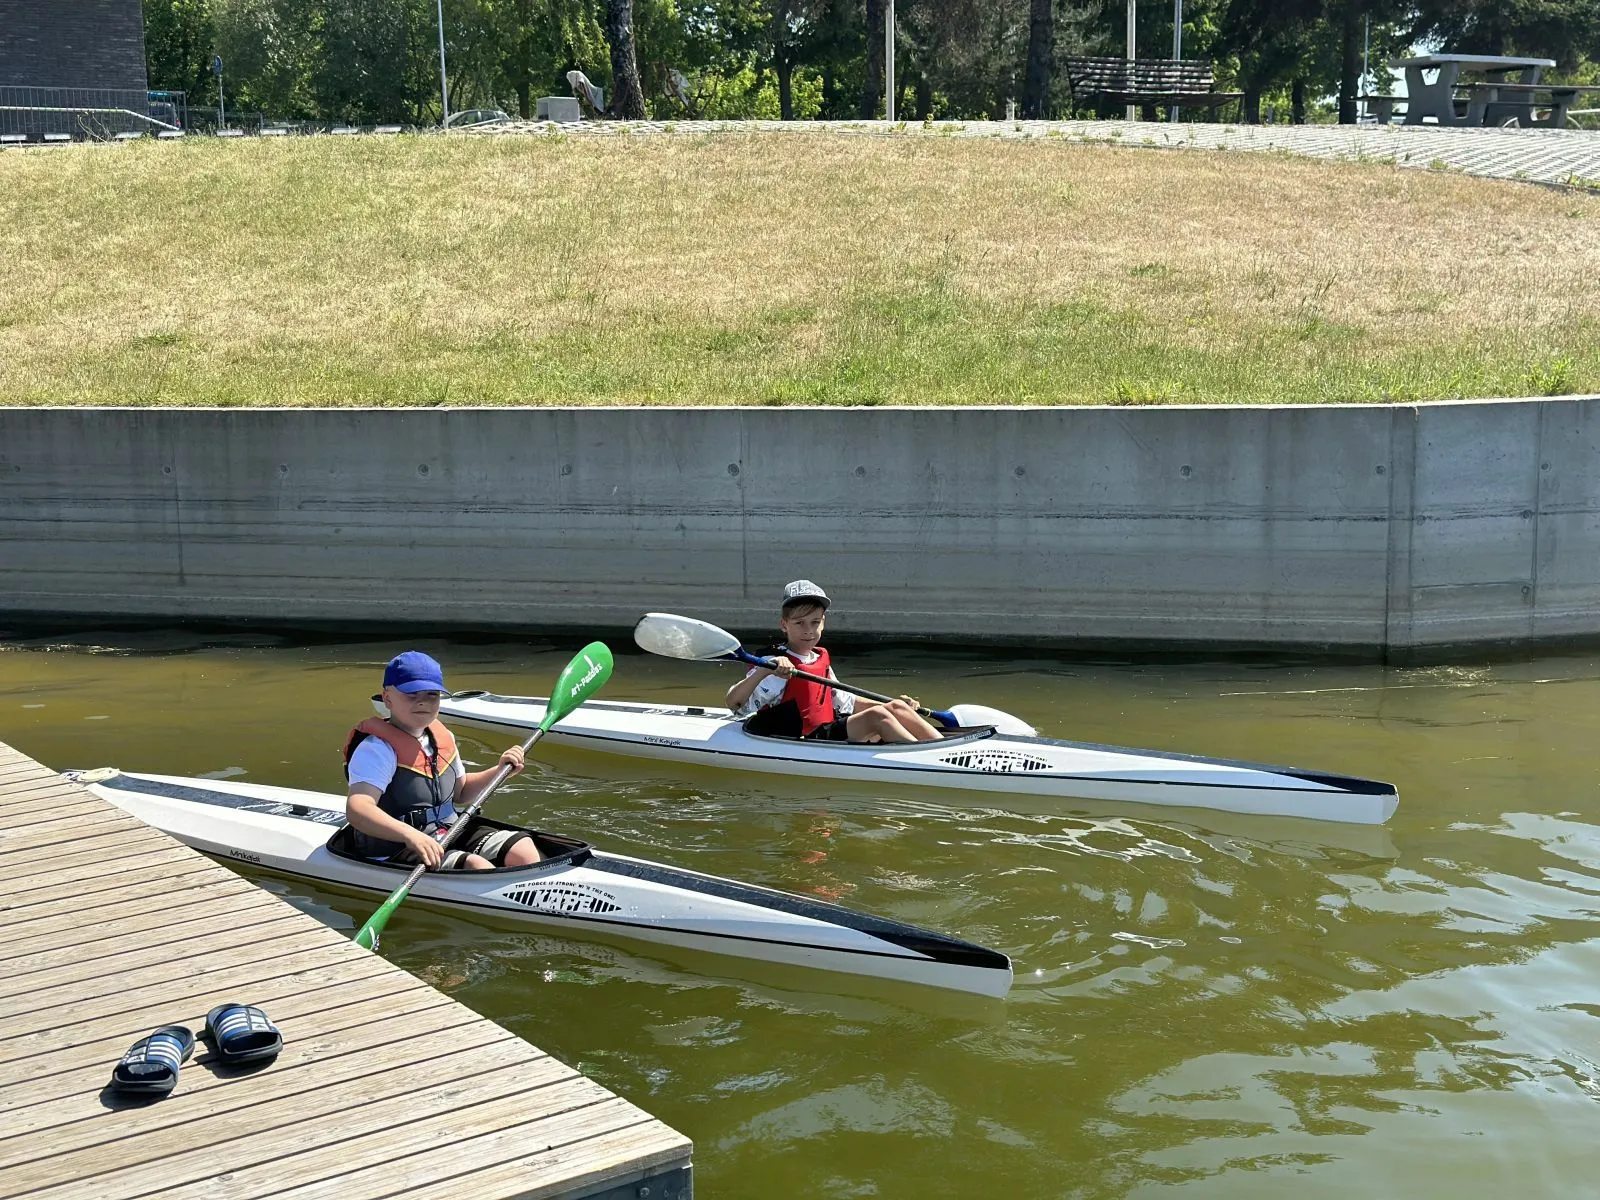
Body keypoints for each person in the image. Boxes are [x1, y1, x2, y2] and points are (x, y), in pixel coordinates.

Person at [343, 650, 540, 870]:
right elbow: (358, 809)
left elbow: (461, 792)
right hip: (395, 846)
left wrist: (500, 771)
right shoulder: (377, 749)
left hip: (447, 829)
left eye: (431, 695)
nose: (422, 702)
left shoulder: (441, 738)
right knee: (476, 865)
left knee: (523, 848)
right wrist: (411, 835)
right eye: (411, 694)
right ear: (388, 698)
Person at [725, 581, 943, 744]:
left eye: (815, 622)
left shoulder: (819, 657)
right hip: (801, 737)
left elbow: (845, 702)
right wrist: (762, 671)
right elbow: (735, 704)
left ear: (823, 623)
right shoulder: (773, 663)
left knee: (893, 707)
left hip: (825, 728)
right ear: (784, 625)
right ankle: (929, 760)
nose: (809, 630)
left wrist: (897, 707)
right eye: (799, 623)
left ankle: (944, 747)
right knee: (878, 716)